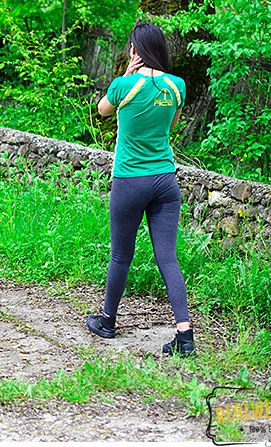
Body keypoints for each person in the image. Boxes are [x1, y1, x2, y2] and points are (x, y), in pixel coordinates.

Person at [86, 22, 195, 357]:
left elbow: (101, 111)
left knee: (121, 254)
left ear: (134, 50)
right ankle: (185, 335)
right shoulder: (177, 87)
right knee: (168, 256)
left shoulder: (123, 86)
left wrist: (124, 76)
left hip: (129, 181)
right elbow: (170, 126)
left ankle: (107, 321)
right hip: (165, 180)